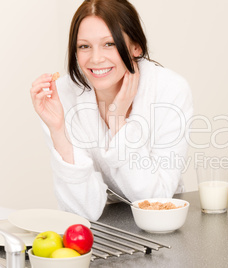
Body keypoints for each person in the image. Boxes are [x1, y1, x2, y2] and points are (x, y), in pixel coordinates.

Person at [30, 0, 193, 221]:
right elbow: (82, 211)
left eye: (109, 44)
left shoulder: (169, 90)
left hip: (163, 226)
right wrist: (58, 131)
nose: (96, 58)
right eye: (84, 46)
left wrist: (118, 121)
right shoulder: (61, 97)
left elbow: (155, 200)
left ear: (137, 47)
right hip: (102, 228)